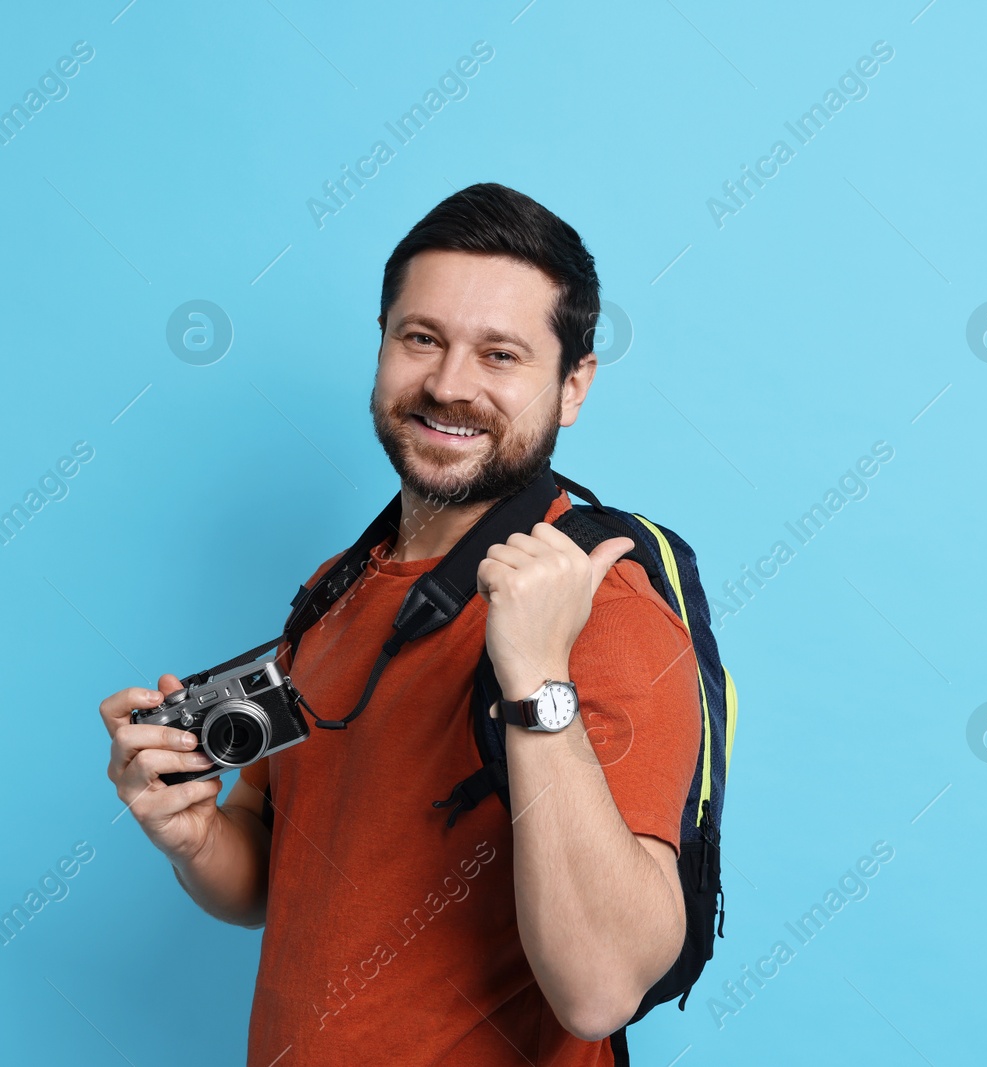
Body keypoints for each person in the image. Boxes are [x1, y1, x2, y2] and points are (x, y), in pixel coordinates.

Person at [97, 183, 702, 1066]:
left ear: (573, 387)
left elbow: (600, 989)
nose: (449, 386)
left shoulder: (604, 606)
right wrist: (193, 836)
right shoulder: (330, 591)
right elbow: (272, 873)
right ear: (381, 345)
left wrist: (534, 674)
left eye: (501, 354)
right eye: (421, 338)